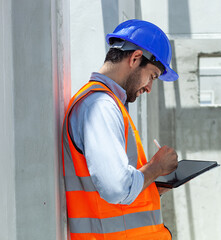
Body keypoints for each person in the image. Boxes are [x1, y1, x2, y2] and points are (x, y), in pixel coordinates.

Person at [62, 19, 178, 239]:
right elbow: (117, 189)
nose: (149, 88)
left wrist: (153, 184)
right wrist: (155, 167)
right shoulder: (99, 106)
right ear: (135, 58)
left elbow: (110, 190)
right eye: (152, 76)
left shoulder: (108, 104)